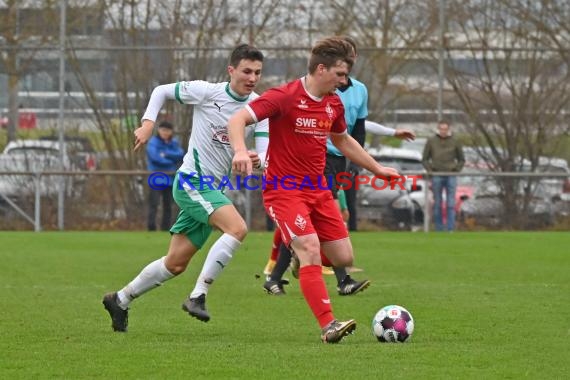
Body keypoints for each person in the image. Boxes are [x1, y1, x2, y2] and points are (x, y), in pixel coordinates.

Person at [228, 37, 399, 343]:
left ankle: (298, 254)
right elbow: (239, 118)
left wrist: (378, 168)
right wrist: (240, 151)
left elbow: (343, 141)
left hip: (317, 189)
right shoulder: (284, 96)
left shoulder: (333, 103)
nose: (344, 82)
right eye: (340, 75)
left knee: (343, 257)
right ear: (321, 69)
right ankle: (328, 325)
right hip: (284, 189)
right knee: (309, 247)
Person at [102, 44, 268, 332]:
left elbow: (264, 156)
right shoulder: (207, 92)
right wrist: (148, 124)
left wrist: (258, 160)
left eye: (257, 72)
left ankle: (120, 299)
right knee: (237, 228)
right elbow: (161, 91)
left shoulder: (259, 108)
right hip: (192, 181)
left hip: (213, 189)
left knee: (175, 264)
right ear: (231, 70)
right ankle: (198, 296)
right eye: (246, 71)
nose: (252, 77)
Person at [261, 37, 415, 297]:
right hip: (311, 163)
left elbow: (355, 129)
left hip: (336, 159)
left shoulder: (357, 91)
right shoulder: (306, 89)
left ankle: (282, 271)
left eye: (349, 66)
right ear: (327, 65)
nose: (345, 74)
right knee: (313, 221)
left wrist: (369, 161)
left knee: (322, 226)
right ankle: (336, 279)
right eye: (342, 66)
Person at [422, 120, 465, 231]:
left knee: (451, 203)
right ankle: (439, 228)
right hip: (437, 175)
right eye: (441, 129)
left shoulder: (455, 141)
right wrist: (430, 170)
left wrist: (456, 169)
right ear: (438, 129)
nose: (443, 131)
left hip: (451, 175)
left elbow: (461, 159)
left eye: (445, 129)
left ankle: (450, 228)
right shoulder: (431, 141)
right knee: (437, 203)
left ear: (448, 129)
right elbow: (425, 159)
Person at [146, 120, 184, 231]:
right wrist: (171, 162)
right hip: (156, 178)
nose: (165, 132)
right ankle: (151, 227)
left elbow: (180, 154)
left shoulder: (174, 142)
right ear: (158, 130)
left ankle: (165, 228)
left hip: (170, 178)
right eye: (163, 130)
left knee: (168, 205)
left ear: (171, 132)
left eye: (168, 130)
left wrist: (166, 154)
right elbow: (155, 158)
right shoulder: (153, 142)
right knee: (154, 204)